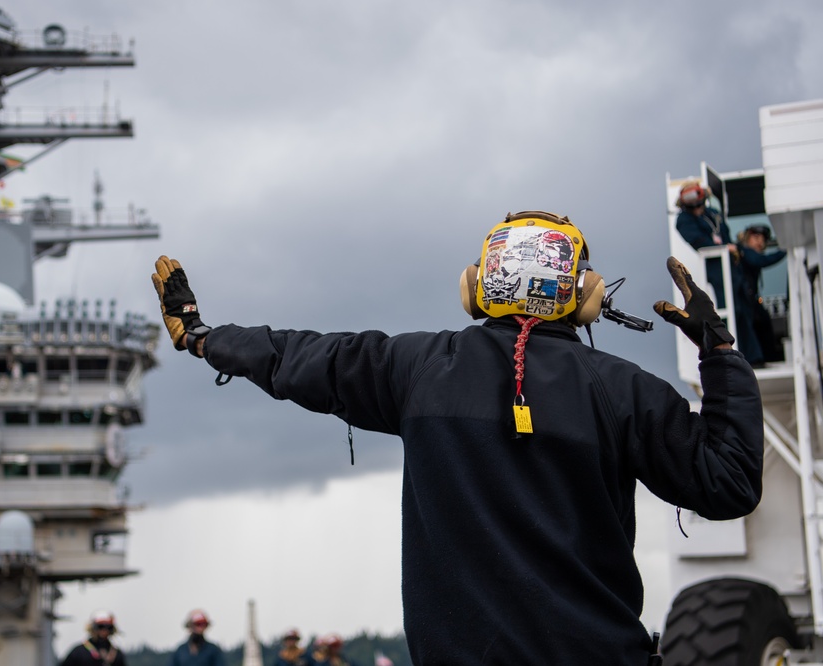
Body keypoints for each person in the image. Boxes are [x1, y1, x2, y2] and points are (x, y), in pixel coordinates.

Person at [151, 210, 764, 665]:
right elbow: (729, 483)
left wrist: (204, 335)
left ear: (477, 286)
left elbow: (299, 356)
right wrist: (720, 351)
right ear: (582, 294)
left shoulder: (416, 368)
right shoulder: (623, 389)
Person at [675, 180, 735, 307]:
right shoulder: (684, 220)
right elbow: (700, 242)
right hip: (717, 267)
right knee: (729, 304)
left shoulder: (712, 213)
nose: (696, 207)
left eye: (698, 204)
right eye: (692, 205)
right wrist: (725, 248)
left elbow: (725, 233)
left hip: (733, 265)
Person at [734, 224, 787, 366]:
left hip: (751, 299)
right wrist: (784, 250)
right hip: (744, 299)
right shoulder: (744, 251)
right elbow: (760, 261)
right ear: (747, 238)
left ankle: (768, 357)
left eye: (763, 239)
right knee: (756, 324)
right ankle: (759, 358)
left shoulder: (748, 253)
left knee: (763, 322)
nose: (760, 242)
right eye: (756, 237)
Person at [60, 610, 126, 666]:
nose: (104, 630)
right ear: (93, 628)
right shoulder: (78, 653)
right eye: (101, 626)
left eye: (108, 627)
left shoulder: (116, 655)